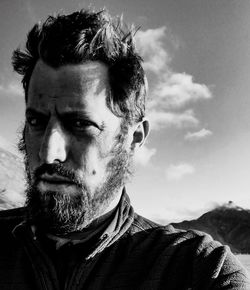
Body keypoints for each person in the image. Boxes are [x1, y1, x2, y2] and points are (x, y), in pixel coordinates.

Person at [0, 9, 249, 290]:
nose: (48, 153)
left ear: (134, 137)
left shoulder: (198, 270)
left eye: (80, 124)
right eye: (36, 121)